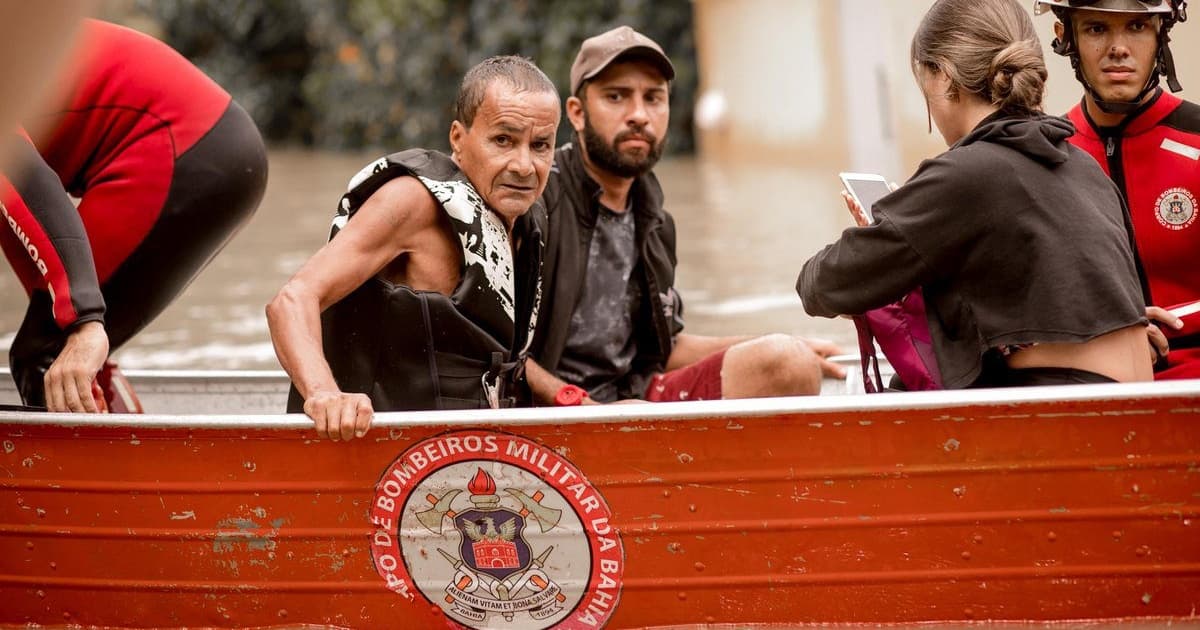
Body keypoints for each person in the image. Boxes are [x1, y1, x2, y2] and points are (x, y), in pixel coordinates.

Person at [797, 0, 1153, 389]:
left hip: (1066, 406)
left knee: (903, 390)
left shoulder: (966, 172)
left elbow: (821, 285)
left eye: (924, 83)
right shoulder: (1084, 165)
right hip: (1140, 402)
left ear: (945, 78)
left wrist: (888, 241)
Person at [525, 26, 845, 407]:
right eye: (616, 97)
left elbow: (663, 348)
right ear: (576, 114)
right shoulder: (537, 197)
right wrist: (582, 406)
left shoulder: (654, 217)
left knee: (786, 362)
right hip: (552, 409)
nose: (639, 115)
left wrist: (781, 343)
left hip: (634, 399)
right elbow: (493, 344)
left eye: (654, 98)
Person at [267, 55, 558, 440]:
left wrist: (582, 404)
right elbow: (292, 300)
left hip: (465, 458)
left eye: (540, 145)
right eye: (503, 140)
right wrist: (325, 395)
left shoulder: (526, 219)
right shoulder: (411, 202)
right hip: (372, 452)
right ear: (458, 138)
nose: (524, 165)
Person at [0, 19, 267, 413]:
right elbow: (16, 220)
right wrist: (64, 315)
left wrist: (83, 319)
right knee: (56, 347)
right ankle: (121, 436)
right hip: (210, 145)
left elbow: (30, 189)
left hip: (185, 149)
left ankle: (90, 471)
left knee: (42, 355)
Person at [1035, 0, 1199, 379]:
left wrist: (1147, 325)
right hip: (1091, 395)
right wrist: (1114, 333)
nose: (1118, 48)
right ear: (1065, 38)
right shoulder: (1042, 152)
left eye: (1137, 27)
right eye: (1096, 29)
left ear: (1162, 33)